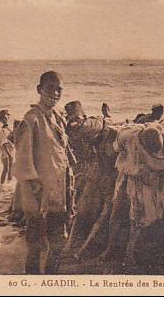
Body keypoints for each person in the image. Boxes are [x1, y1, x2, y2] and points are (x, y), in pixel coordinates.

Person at [12, 71, 73, 274]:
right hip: (38, 198)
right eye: (50, 88)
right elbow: (22, 164)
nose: (55, 93)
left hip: (58, 195)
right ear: (39, 89)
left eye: (59, 89)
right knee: (37, 245)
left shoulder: (57, 119)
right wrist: (32, 196)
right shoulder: (31, 120)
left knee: (58, 243)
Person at [99, 120, 164, 270]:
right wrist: (130, 165)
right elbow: (117, 149)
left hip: (146, 181)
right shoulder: (128, 135)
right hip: (127, 176)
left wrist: (161, 187)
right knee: (116, 213)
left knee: (138, 218)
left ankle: (129, 253)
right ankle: (110, 248)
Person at [62, 101, 117, 256]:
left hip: (99, 172)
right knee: (86, 209)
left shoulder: (89, 124)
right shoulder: (80, 128)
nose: (74, 121)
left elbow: (91, 125)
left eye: (76, 117)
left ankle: (82, 246)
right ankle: (75, 245)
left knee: (101, 209)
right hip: (95, 172)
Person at [0, 109, 14, 185]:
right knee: (6, 168)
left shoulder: (7, 129)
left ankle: (8, 183)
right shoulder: (3, 130)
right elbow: (3, 144)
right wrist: (8, 154)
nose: (7, 118)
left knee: (10, 168)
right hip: (5, 152)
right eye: (5, 117)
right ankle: (2, 184)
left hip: (10, 151)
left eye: (7, 116)